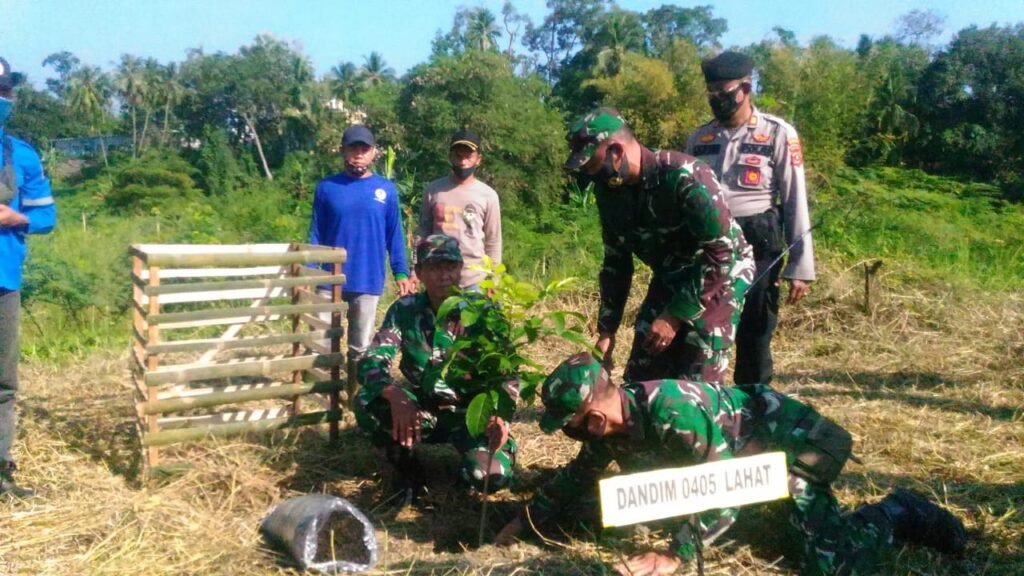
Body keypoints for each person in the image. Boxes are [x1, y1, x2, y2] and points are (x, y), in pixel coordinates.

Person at [496, 353, 967, 576]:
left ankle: (897, 512)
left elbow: (723, 487)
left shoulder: (673, 411)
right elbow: (576, 478)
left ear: (595, 418)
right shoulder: (613, 425)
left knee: (829, 564)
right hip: (744, 464)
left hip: (794, 447)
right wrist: (523, 521)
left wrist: (675, 555)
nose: (572, 433)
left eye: (571, 424)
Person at [565, 107, 754, 385]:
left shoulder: (685, 175)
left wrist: (675, 315)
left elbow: (722, 252)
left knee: (695, 385)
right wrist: (607, 331)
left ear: (616, 151)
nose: (592, 175)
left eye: (593, 165)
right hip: (671, 275)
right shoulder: (610, 193)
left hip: (720, 274)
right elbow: (616, 264)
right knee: (641, 378)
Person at [685, 51, 816, 387]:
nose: (717, 100)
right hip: (709, 250)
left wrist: (800, 267)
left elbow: (794, 198)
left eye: (725, 93)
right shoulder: (699, 139)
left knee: (754, 336)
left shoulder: (777, 133)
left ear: (746, 88)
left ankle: (753, 408)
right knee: (701, 335)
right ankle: (704, 404)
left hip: (758, 245)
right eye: (711, 93)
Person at [355, 234, 516, 504]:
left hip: (471, 414)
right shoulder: (404, 311)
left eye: (450, 266)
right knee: (366, 401)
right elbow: (372, 359)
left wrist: (501, 415)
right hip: (423, 408)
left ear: (460, 268)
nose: (444, 275)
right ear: (419, 273)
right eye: (435, 267)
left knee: (490, 476)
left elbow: (507, 371)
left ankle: (471, 470)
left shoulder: (483, 312)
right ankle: (407, 469)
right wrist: (394, 394)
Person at [309, 124, 415, 384]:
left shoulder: (386, 190)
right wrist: (309, 272)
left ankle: (355, 397)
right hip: (329, 279)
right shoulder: (327, 187)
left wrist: (401, 272)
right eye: (353, 148)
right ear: (342, 151)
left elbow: (394, 235)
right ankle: (325, 394)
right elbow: (315, 233)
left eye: (364, 149)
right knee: (321, 344)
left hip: (367, 278)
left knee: (360, 348)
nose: (358, 154)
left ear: (373, 153)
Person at [0, 56, 57, 499]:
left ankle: (0, 472)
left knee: (3, 384)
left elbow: (46, 217)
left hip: (4, 281)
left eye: (3, 91)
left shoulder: (21, 155)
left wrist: (16, 217)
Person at [414, 128, 502, 291]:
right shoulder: (434, 190)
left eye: (468, 156)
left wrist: (494, 279)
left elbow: (493, 240)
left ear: (478, 159)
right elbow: (422, 233)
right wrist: (415, 269)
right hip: (439, 276)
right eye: (458, 156)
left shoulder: (488, 195)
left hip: (474, 278)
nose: (463, 162)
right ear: (450, 157)